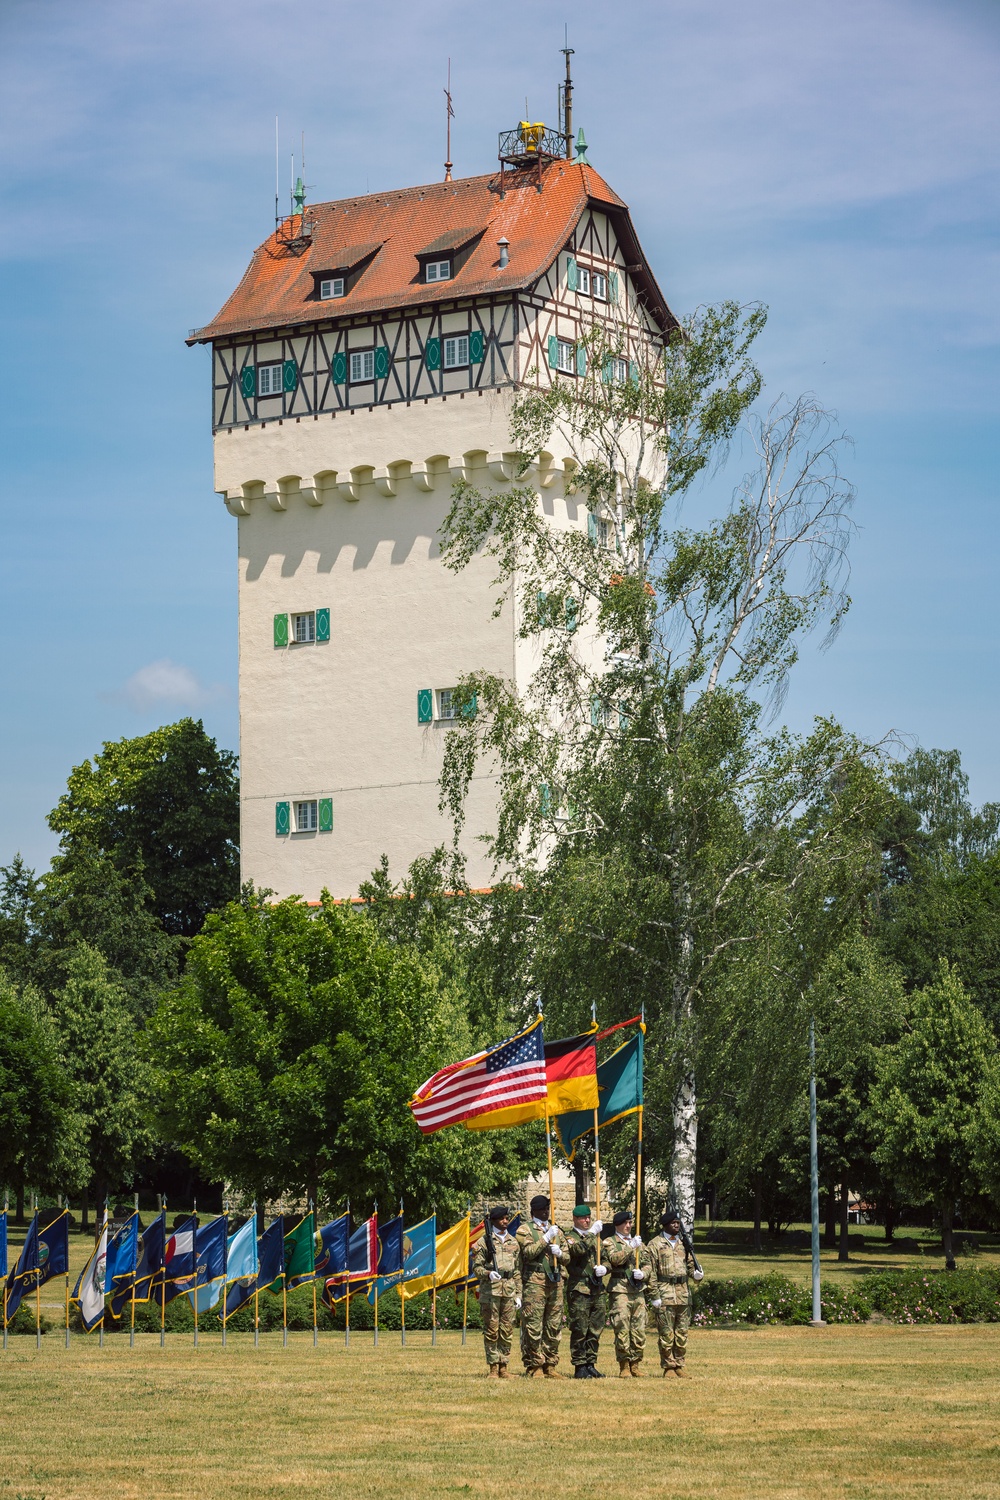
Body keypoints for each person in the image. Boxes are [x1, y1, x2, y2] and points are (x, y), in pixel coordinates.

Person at [645, 1207, 704, 1377]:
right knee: (666, 1332)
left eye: (678, 1223)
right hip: (665, 1293)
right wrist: (654, 1295)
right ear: (665, 1225)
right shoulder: (655, 1244)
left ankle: (679, 1364)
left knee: (682, 1332)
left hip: (683, 1294)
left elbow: (691, 1266)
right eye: (673, 1223)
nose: (677, 1226)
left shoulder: (684, 1243)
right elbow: (652, 1272)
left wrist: (697, 1275)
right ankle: (668, 1367)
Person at [516, 1193, 568, 1378]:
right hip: (534, 1282)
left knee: (554, 1326)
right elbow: (528, 1252)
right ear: (534, 1211)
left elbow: (568, 1258)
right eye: (543, 1208)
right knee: (533, 1326)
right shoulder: (525, 1230)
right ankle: (534, 1365)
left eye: (548, 1208)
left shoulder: (557, 1231)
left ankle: (550, 1365)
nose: (546, 1211)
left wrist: (560, 1253)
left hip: (555, 1282)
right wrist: (546, 1238)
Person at [472, 1205, 520, 1378]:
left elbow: (517, 1271)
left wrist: (518, 1294)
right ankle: (493, 1366)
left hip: (508, 1290)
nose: (505, 1221)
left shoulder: (513, 1242)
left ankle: (504, 1366)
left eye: (507, 1218)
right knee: (492, 1329)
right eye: (502, 1219)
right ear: (493, 1221)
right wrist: (487, 1273)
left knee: (507, 1329)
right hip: (490, 1291)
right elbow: (476, 1268)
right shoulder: (483, 1242)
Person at [564, 1204, 608, 1378]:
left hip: (596, 1288)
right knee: (580, 1328)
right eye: (583, 1218)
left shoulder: (596, 1238)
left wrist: (604, 1268)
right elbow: (577, 1251)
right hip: (579, 1289)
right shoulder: (570, 1237)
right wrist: (591, 1233)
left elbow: (607, 1259)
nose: (587, 1220)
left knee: (595, 1329)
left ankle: (590, 1362)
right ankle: (579, 1365)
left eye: (589, 1217)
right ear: (575, 1219)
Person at [603, 1209, 649, 1376]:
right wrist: (630, 1247)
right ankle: (624, 1365)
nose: (629, 1226)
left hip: (637, 1290)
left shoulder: (638, 1243)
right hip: (620, 1289)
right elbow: (615, 1260)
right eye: (625, 1223)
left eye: (630, 1223)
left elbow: (647, 1263)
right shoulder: (610, 1242)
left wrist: (644, 1273)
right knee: (622, 1327)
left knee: (639, 1328)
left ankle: (635, 1364)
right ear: (618, 1225)